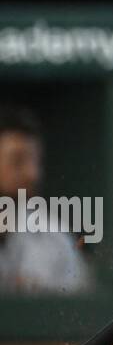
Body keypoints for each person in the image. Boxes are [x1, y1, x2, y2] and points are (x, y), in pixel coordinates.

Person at [0, 106, 93, 295]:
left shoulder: (54, 236)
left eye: (36, 161)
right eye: (18, 161)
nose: (32, 174)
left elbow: (80, 309)